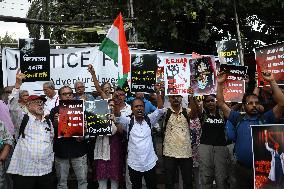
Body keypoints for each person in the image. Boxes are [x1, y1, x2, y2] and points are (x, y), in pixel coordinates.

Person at [216, 70, 284, 189]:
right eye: (250, 103)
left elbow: (282, 103)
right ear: (243, 105)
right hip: (241, 169)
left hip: (263, 170)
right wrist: (220, 84)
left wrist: (272, 81)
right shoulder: (237, 118)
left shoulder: (266, 118)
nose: (253, 105)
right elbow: (221, 103)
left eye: (256, 102)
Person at [114, 88, 164, 189]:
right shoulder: (128, 121)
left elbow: (160, 110)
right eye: (136, 106)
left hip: (150, 163)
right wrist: (116, 102)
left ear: (144, 108)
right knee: (136, 186)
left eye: (141, 106)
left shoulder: (150, 119)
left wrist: (158, 93)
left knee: (152, 186)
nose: (139, 108)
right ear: (132, 109)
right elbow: (118, 115)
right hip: (134, 164)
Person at [7, 95, 54, 189]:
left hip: (45, 169)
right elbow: (13, 108)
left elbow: (51, 139)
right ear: (28, 106)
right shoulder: (22, 119)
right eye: (37, 102)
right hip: (25, 170)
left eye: (41, 103)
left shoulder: (48, 122)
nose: (40, 105)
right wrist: (17, 87)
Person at [49, 86, 88, 189]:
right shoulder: (54, 111)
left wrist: (83, 134)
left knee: (83, 180)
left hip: (79, 149)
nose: (68, 96)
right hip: (61, 150)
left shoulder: (82, 110)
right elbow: (49, 131)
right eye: (64, 94)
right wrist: (56, 123)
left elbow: (87, 130)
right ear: (60, 97)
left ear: (73, 95)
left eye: (70, 94)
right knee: (62, 183)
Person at [162, 89, 198, 189]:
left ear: (182, 98)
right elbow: (159, 108)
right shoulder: (166, 112)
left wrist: (191, 96)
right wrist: (159, 92)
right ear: (169, 99)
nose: (175, 98)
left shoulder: (187, 111)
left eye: (178, 96)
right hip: (169, 152)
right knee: (169, 182)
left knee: (188, 182)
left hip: (185, 152)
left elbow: (195, 115)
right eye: (172, 96)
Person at [197, 94, 229, 189]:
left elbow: (238, 104)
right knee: (206, 175)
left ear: (216, 102)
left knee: (221, 176)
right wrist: (192, 96)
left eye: (212, 100)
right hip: (205, 147)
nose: (210, 102)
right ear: (205, 103)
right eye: (208, 101)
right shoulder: (203, 114)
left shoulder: (223, 113)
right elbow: (196, 107)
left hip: (221, 147)